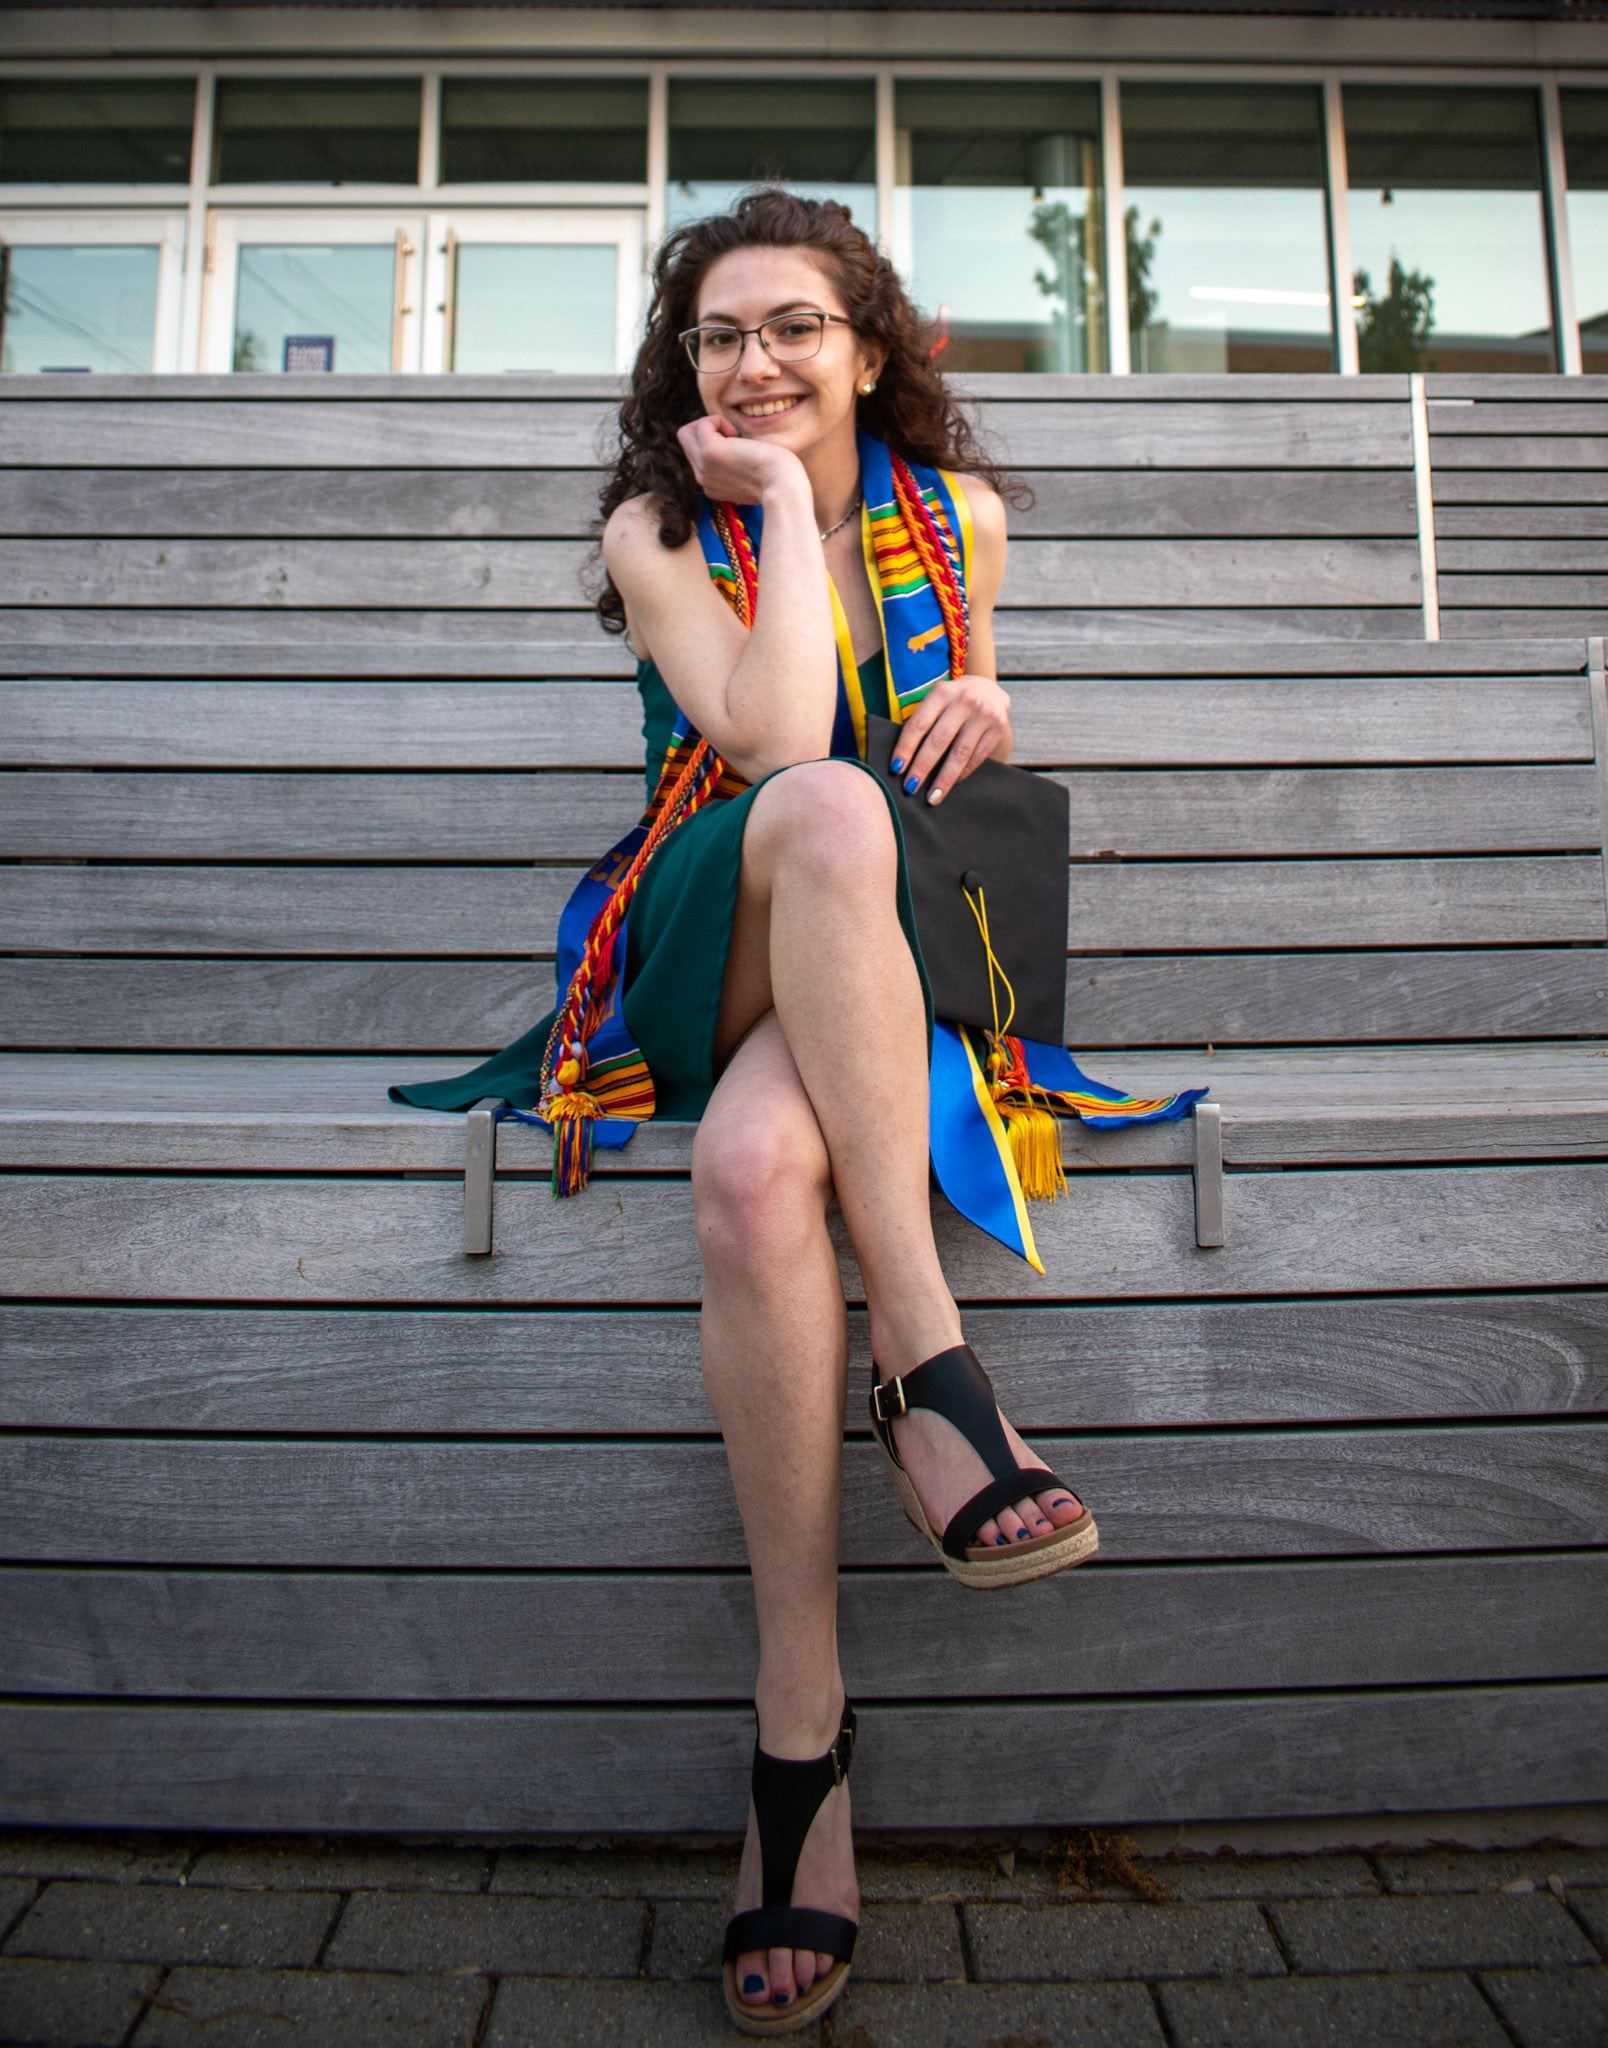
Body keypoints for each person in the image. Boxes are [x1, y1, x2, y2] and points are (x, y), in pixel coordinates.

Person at [394, 187, 1198, 2036]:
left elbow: (932, 742)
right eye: (719, 337)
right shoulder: (660, 529)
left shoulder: (957, 519)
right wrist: (764, 506)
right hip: (707, 923)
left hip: (879, 949)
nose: (753, 364)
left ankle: (797, 1739)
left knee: (761, 1175)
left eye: (793, 329)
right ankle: (931, 1361)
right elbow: (773, 746)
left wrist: (982, 691)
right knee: (822, 805)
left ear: (869, 347)